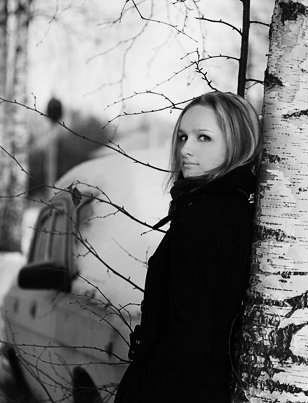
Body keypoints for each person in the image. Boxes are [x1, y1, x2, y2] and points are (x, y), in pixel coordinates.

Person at [114, 91, 262, 402]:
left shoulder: (202, 217)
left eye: (203, 137)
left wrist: (141, 394)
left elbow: (189, 340)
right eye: (182, 137)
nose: (186, 149)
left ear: (237, 143)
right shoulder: (238, 209)